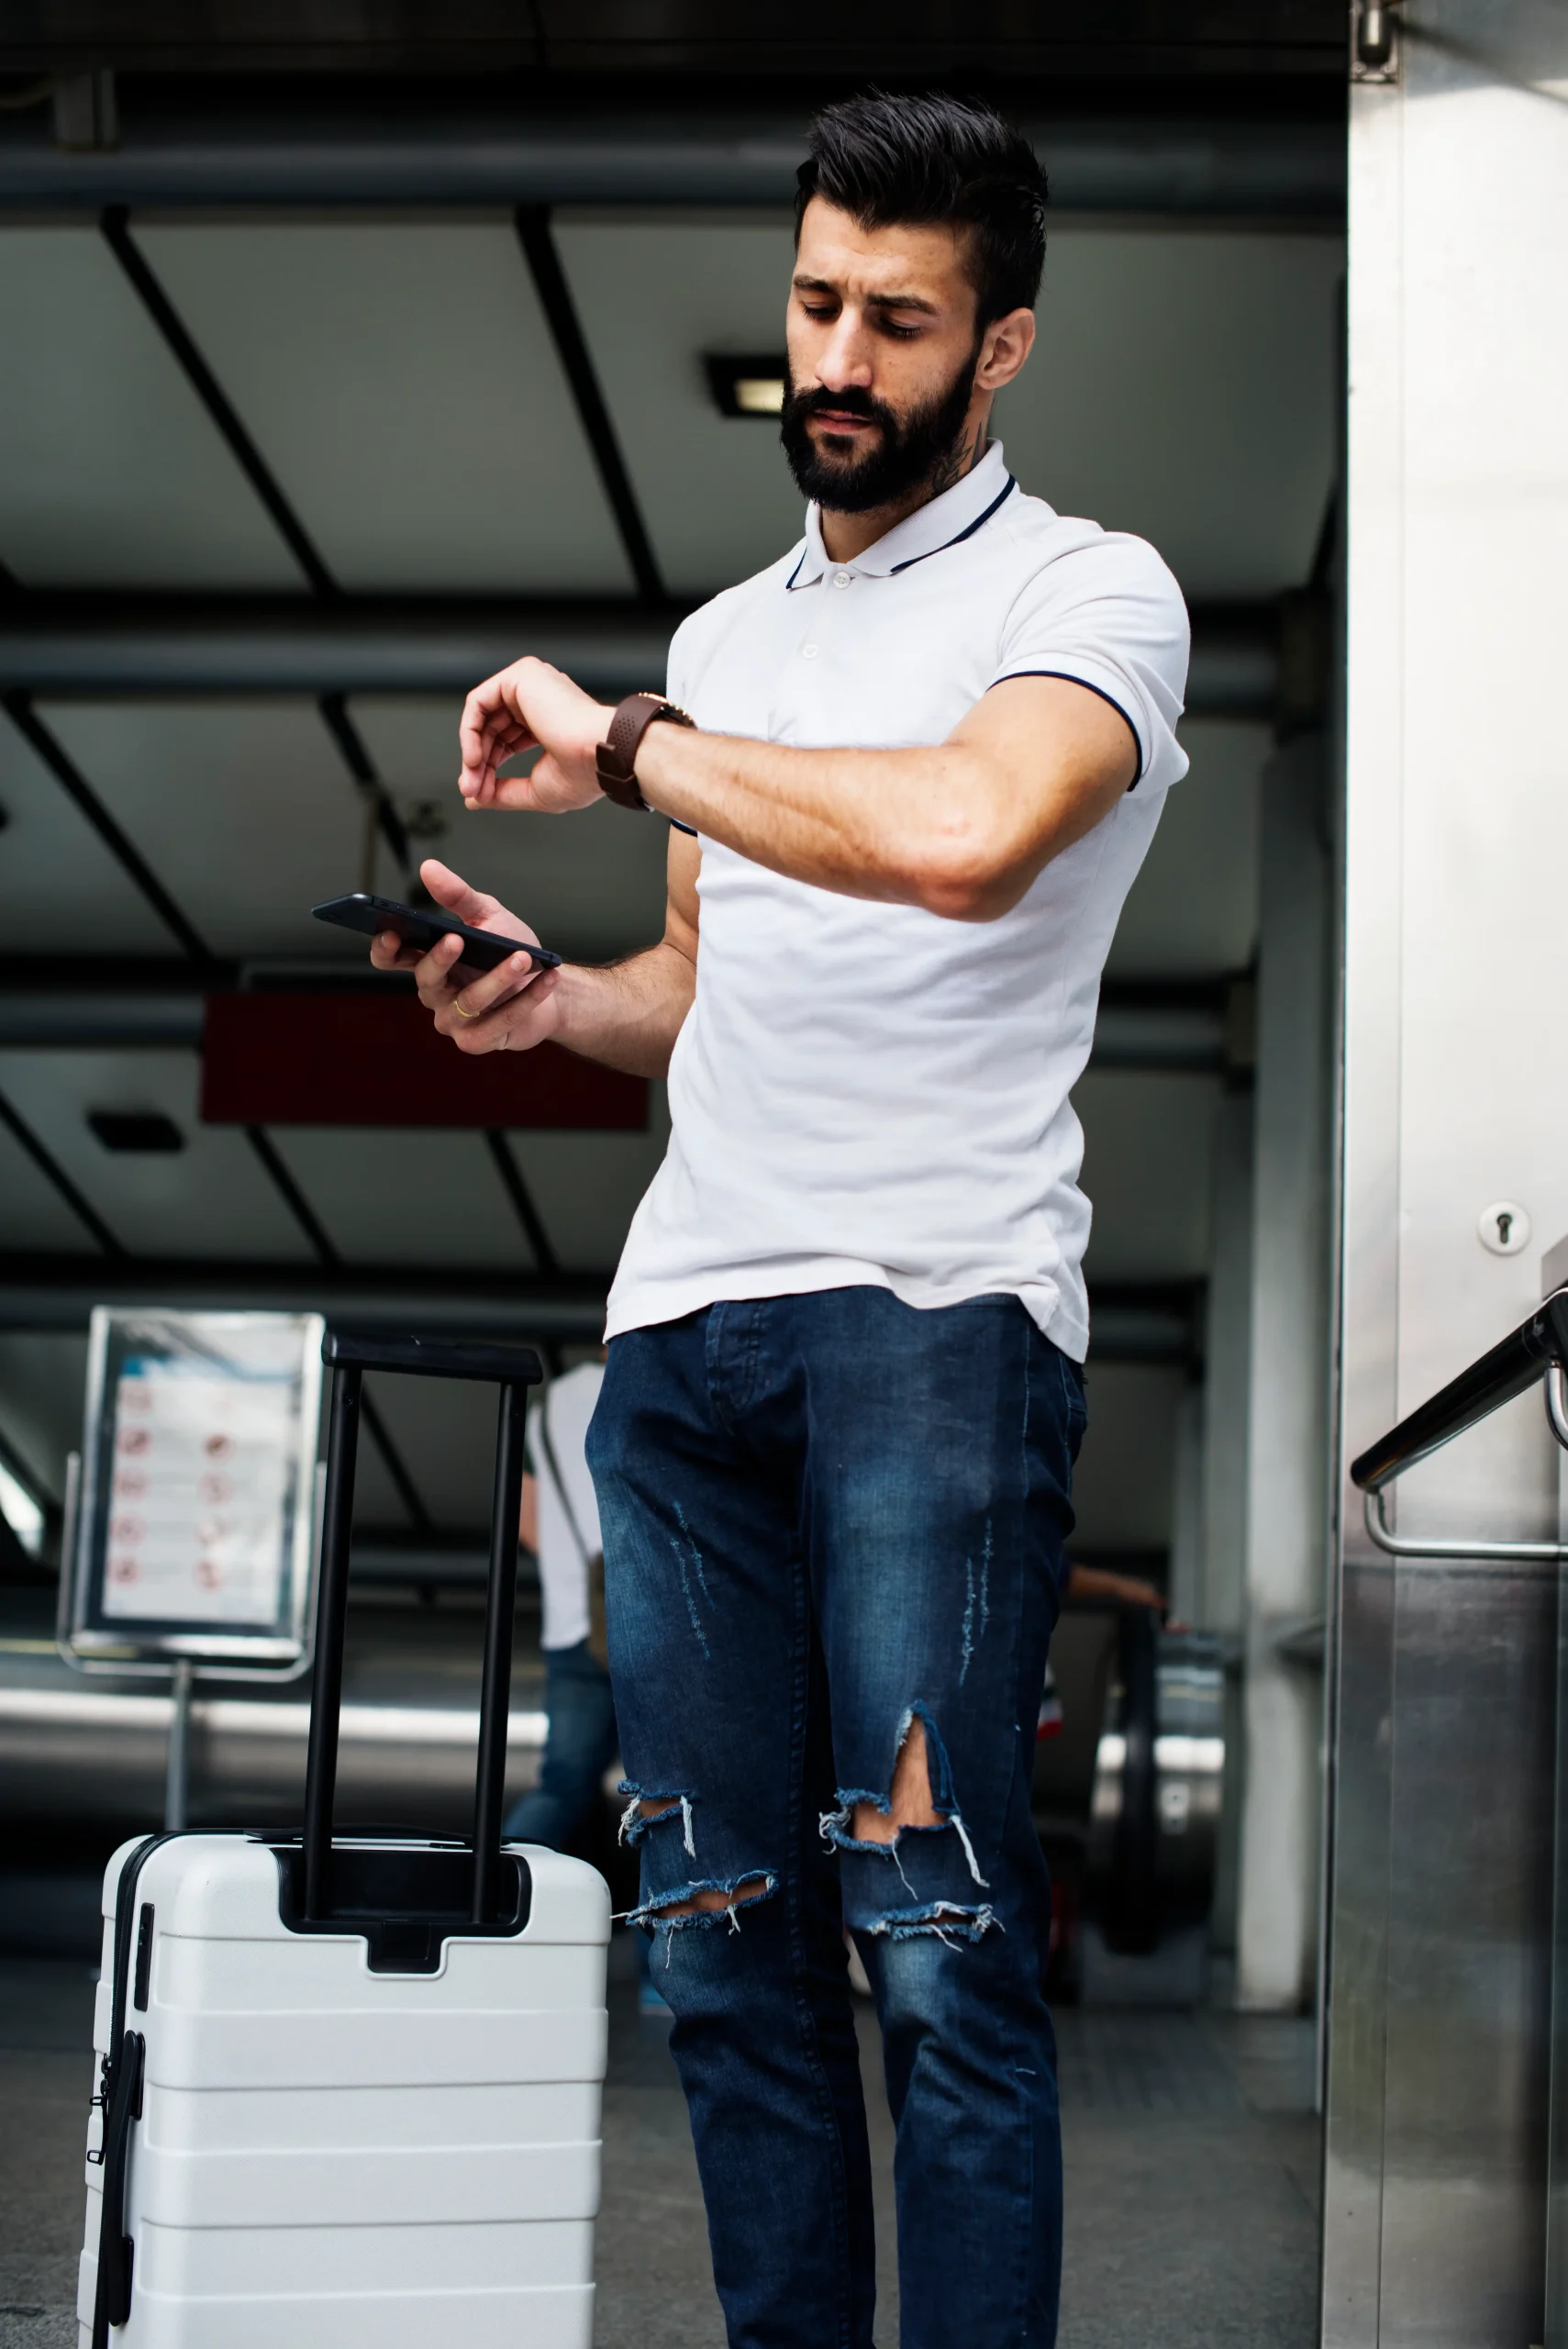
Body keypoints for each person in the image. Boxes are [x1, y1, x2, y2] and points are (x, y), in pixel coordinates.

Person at [370, 89, 1188, 2349]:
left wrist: (632, 746)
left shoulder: (1086, 593)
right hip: (687, 1343)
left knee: (931, 1953)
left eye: (896, 321)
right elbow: (707, 992)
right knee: (717, 1949)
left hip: (934, 1325)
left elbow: (961, 837)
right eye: (818, 300)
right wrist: (547, 1005)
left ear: (997, 348)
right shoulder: (722, 636)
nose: (838, 354)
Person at [504, 1356, 614, 1854]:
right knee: (669, 1797)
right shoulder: (666, 1387)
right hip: (663, 1633)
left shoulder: (547, 1409)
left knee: (562, 1786)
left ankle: (494, 1904)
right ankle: (662, 1933)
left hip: (571, 1624)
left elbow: (528, 1526)